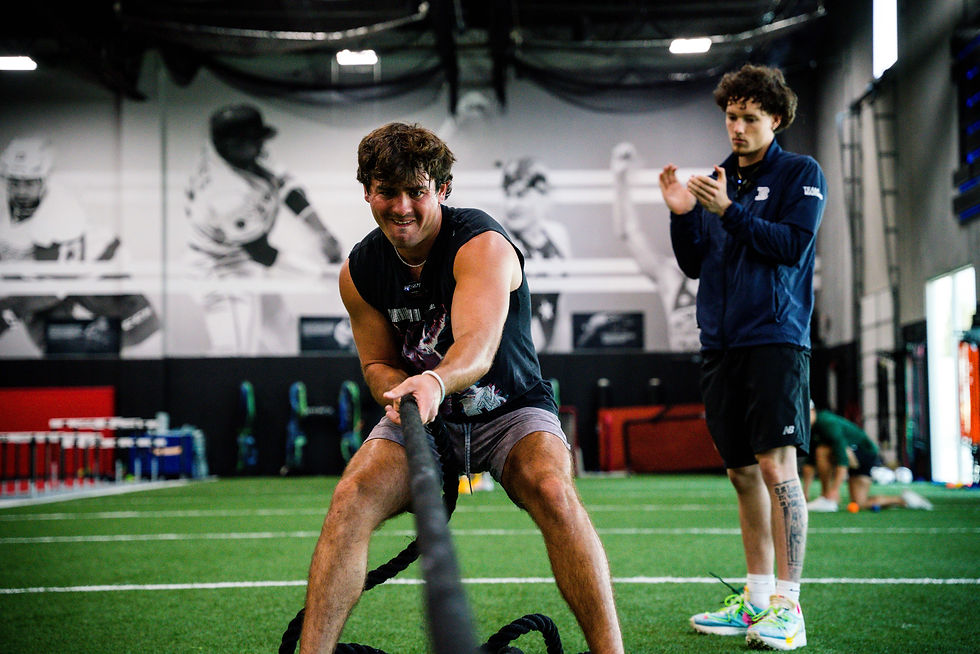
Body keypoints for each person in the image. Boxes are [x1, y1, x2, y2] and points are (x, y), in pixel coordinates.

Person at [298, 122, 624, 654]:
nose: (401, 206)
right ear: (366, 192)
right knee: (351, 496)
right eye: (386, 191)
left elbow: (476, 346)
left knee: (552, 490)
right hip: (423, 415)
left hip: (510, 409)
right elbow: (377, 361)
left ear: (442, 190)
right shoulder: (358, 272)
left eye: (417, 191)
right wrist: (400, 391)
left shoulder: (482, 244)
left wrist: (432, 380)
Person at [659, 64, 826, 650]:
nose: (737, 127)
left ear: (775, 120)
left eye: (750, 117)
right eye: (731, 116)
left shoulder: (800, 173)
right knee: (740, 472)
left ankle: (789, 606)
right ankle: (755, 600)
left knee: (779, 470)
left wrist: (728, 209)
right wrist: (683, 214)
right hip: (720, 345)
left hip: (775, 339)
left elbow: (789, 247)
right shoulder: (719, 178)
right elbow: (695, 263)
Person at [184, 103, 343, 354]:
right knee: (234, 352)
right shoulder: (224, 190)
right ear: (231, 144)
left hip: (246, 263)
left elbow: (286, 188)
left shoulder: (239, 154)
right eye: (252, 141)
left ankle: (293, 386)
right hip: (219, 270)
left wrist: (322, 233)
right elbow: (262, 252)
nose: (260, 147)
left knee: (284, 334)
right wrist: (320, 273)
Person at [0, 136, 160, 355]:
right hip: (47, 278)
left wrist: (10, 311)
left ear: (44, 180)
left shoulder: (62, 213)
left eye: (29, 183)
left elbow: (56, 284)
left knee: (143, 332)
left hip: (93, 271)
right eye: (14, 182)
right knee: (58, 349)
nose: (20, 191)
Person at [610, 141, 700, 352]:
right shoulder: (671, 279)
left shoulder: (722, 274)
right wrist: (619, 180)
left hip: (720, 375)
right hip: (681, 373)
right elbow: (627, 232)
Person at [804, 402, 933, 512]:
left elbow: (842, 458)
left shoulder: (827, 423)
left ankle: (826, 497)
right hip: (855, 456)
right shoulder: (810, 429)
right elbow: (809, 464)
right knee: (860, 503)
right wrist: (805, 493)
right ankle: (904, 500)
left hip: (864, 454)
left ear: (812, 410)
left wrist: (834, 490)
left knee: (822, 451)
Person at [499, 156, 571, 352]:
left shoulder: (557, 236)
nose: (511, 205)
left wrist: (565, 363)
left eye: (520, 195)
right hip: (510, 362)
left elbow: (560, 308)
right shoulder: (499, 240)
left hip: (546, 361)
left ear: (543, 196)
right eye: (507, 195)